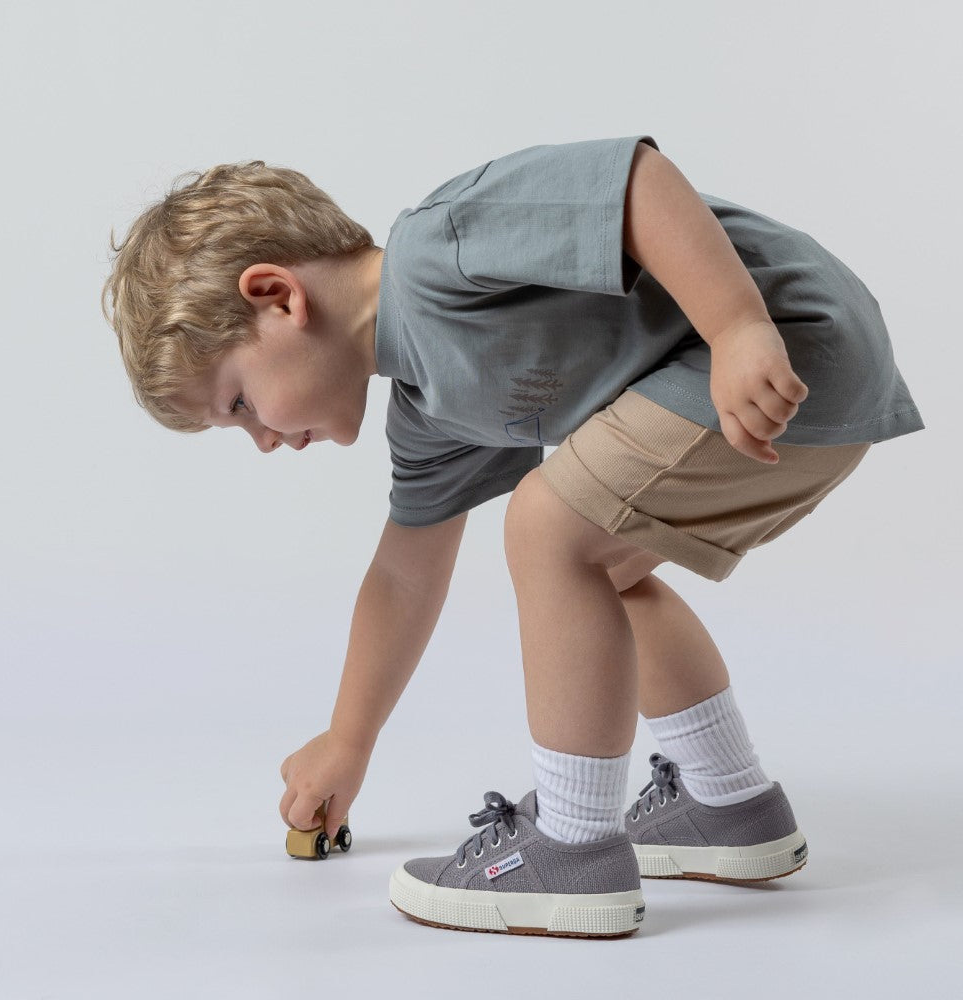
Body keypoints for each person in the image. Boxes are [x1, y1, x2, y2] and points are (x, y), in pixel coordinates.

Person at [101, 136, 924, 938]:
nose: (265, 441)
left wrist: (739, 327)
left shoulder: (440, 250)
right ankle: (730, 803)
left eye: (240, 404)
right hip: (790, 394)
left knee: (546, 524)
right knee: (601, 565)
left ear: (277, 295)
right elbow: (404, 575)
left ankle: (572, 846)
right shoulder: (433, 409)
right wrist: (350, 739)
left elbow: (639, 184)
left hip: (784, 341)